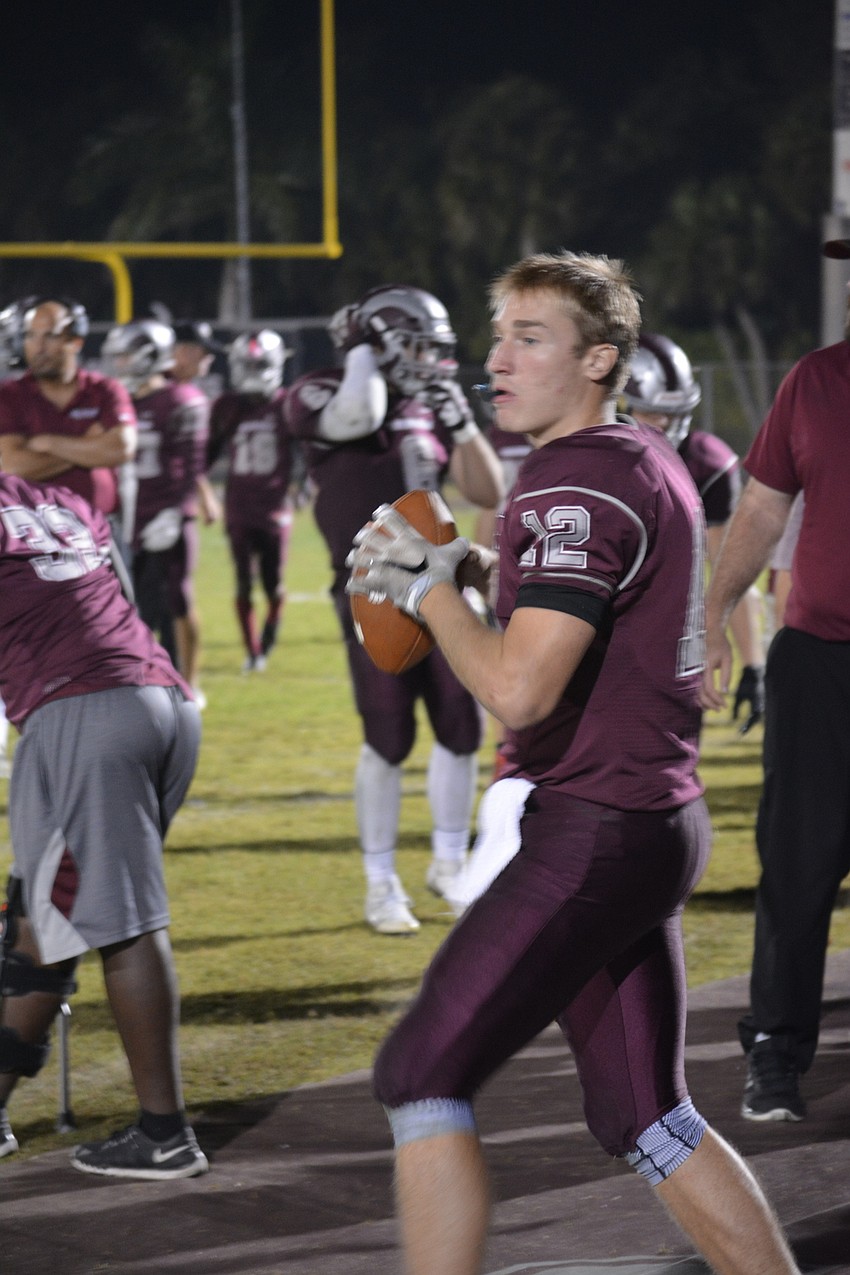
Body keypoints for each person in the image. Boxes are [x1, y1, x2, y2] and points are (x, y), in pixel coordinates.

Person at [347, 251, 799, 1275]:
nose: (498, 358)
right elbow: (596, 609)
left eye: (530, 338)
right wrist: (472, 568)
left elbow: (518, 690)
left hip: (595, 825)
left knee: (420, 1072)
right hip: (649, 819)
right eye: (498, 334)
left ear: (599, 360)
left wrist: (431, 594)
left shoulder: (582, 479)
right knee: (645, 1114)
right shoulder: (631, 459)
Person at [0, 470, 207, 1179]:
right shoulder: (61, 499)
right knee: (46, 913)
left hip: (81, 712)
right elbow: (116, 593)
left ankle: (164, 1132)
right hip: (163, 701)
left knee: (120, 918)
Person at [286, 285, 504, 934]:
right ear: (373, 341)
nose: (428, 359)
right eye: (415, 344)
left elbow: (487, 488)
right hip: (370, 587)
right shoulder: (317, 389)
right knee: (388, 738)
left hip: (440, 581)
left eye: (435, 348)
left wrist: (460, 421)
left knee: (461, 728)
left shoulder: (426, 402)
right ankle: (381, 882)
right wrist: (359, 356)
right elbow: (354, 419)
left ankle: (448, 862)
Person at [701, 236, 850, 1124]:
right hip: (818, 660)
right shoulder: (815, 379)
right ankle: (777, 1052)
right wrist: (715, 609)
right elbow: (763, 503)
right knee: (797, 863)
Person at [623, 333, 765, 733]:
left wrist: (753, 663)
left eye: (675, 412)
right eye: (653, 413)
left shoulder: (707, 464)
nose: (666, 424)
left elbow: (727, 569)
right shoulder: (588, 459)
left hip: (670, 644)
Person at [102, 319, 215, 705]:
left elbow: (193, 463)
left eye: (127, 355)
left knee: (179, 600)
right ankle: (140, 680)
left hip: (168, 517)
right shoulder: (117, 399)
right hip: (126, 519)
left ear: (149, 355)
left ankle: (191, 682)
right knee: (132, 608)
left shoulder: (181, 400)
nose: (119, 364)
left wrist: (176, 511)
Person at [208, 329, 297, 671]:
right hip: (239, 508)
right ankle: (253, 651)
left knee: (274, 585)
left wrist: (303, 490)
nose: (251, 372)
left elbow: (305, 453)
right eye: (246, 364)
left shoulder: (287, 404)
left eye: (258, 364)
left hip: (274, 510)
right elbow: (206, 456)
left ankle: (271, 628)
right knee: (243, 581)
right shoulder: (228, 407)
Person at [0, 296, 137, 520]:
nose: (39, 347)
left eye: (50, 336)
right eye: (30, 335)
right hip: (35, 533)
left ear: (75, 342)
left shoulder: (105, 389)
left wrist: (48, 443)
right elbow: (13, 466)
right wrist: (90, 446)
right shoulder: (9, 396)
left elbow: (120, 450)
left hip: (100, 530)